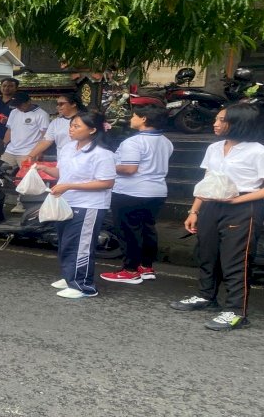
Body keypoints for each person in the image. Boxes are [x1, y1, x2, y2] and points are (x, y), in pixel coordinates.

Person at [169, 102, 264, 331]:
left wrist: (236, 200)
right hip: (211, 204)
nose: (215, 124)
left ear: (239, 123)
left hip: (243, 207)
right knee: (207, 253)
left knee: (236, 260)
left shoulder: (259, 152)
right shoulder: (214, 148)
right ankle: (206, 296)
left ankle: (236, 311)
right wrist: (194, 211)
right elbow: (207, 181)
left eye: (221, 120)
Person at [36, 112, 116, 298]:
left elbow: (106, 183)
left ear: (93, 130)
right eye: (71, 125)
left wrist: (69, 186)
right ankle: (69, 276)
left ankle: (83, 286)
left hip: (89, 205)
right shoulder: (68, 148)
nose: (71, 129)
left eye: (77, 126)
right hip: (66, 202)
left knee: (81, 245)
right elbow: (63, 174)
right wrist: (45, 169)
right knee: (66, 242)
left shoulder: (103, 154)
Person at [100, 105, 173, 284]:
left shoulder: (133, 142)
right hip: (157, 191)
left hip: (131, 192)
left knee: (128, 231)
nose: (131, 119)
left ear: (144, 119)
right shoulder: (166, 141)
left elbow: (130, 169)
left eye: (134, 116)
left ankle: (130, 270)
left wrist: (106, 165)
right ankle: (146, 267)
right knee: (148, 229)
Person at [23, 94, 87, 163]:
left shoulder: (86, 120)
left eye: (61, 104)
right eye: (57, 104)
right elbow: (46, 140)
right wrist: (30, 155)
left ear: (73, 104)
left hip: (83, 160)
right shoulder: (56, 122)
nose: (58, 107)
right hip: (62, 161)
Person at [1, 92, 50, 169]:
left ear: (29, 101)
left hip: (28, 153)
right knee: (2, 175)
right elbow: (9, 130)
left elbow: (45, 135)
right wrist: (3, 144)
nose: (18, 107)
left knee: (27, 177)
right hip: (10, 151)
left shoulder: (42, 114)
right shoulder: (14, 112)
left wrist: (39, 152)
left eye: (20, 104)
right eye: (16, 105)